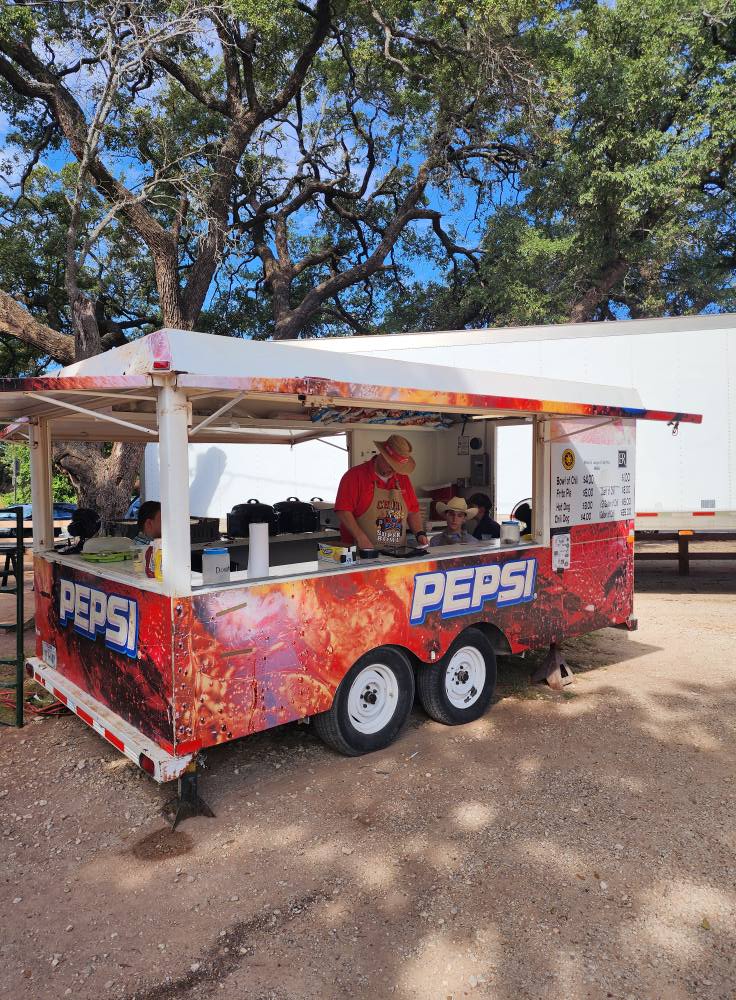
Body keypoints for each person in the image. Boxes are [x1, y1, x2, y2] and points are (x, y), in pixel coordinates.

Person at [334, 434, 428, 550]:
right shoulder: (354, 476)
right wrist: (360, 537)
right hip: (361, 552)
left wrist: (419, 533)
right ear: (382, 455)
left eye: (397, 467)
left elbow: (413, 511)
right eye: (391, 465)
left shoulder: (403, 479)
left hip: (396, 554)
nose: (393, 470)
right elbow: (343, 511)